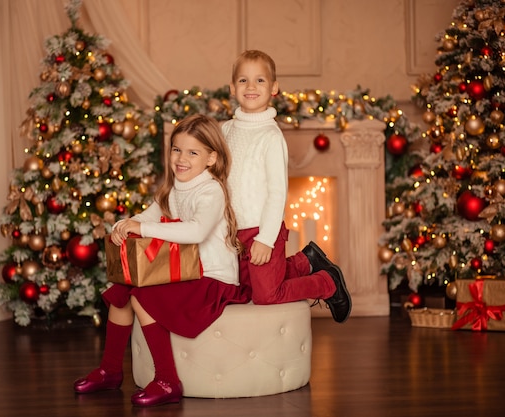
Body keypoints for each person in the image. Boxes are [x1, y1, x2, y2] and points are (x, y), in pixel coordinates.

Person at [73, 114, 248, 407]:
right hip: (186, 274)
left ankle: (168, 380)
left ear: (210, 158)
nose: (181, 158)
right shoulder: (173, 188)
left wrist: (142, 229)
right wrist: (126, 223)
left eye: (193, 152)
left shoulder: (210, 190)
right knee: (121, 291)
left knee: (143, 293)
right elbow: (148, 216)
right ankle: (111, 370)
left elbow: (197, 230)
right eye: (176, 149)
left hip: (213, 280)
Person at [221, 49, 352, 323]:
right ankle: (306, 260)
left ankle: (326, 282)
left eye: (260, 80)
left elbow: (277, 193)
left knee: (266, 295)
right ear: (232, 88)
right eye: (243, 81)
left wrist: (266, 239)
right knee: (245, 291)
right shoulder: (225, 132)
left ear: (274, 88)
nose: (251, 87)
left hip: (261, 230)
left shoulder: (270, 136)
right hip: (233, 231)